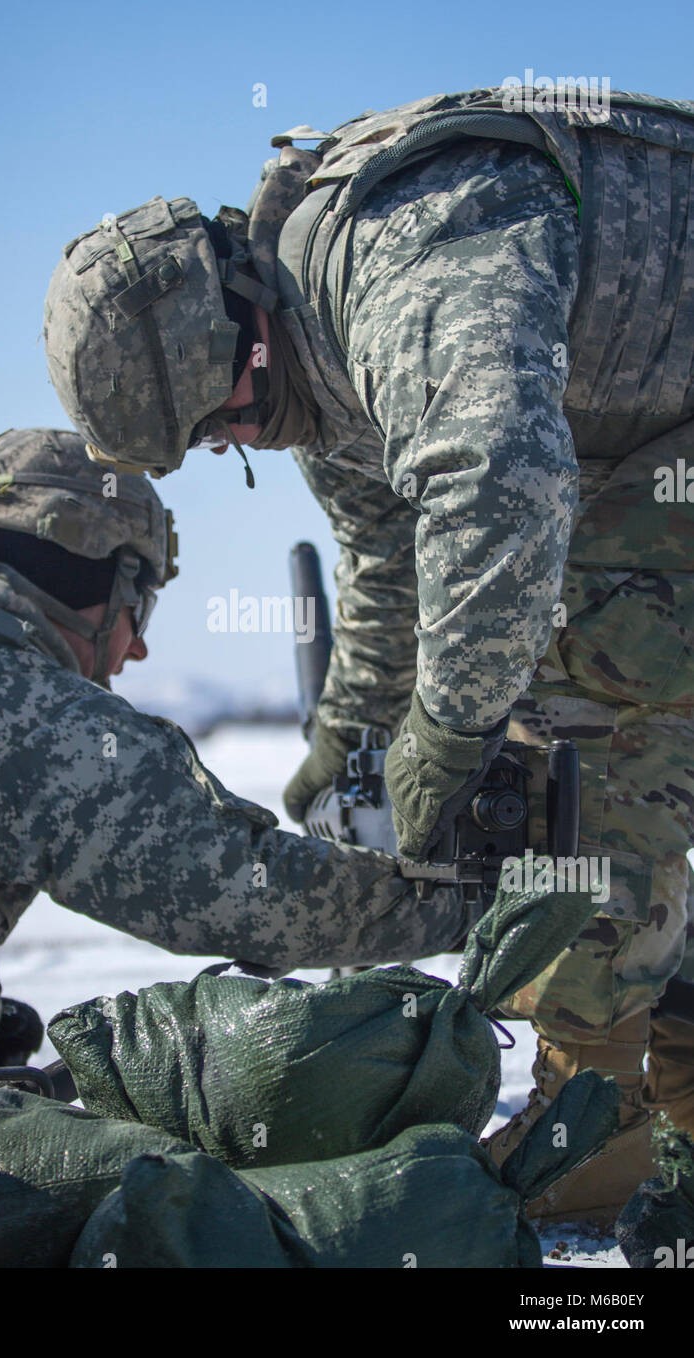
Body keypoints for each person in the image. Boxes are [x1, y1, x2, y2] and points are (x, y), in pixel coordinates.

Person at [42, 85, 694, 1224]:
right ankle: (657, 1050)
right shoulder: (309, 375)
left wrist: (444, 736)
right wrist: (344, 735)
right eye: (205, 443)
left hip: (648, 455)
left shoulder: (397, 258)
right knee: (558, 711)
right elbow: (387, 566)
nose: (234, 440)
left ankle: (598, 1115)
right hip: (648, 446)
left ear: (238, 327)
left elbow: (498, 491)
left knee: (586, 700)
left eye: (219, 418)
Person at [0, 426, 478, 1100]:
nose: (136, 649)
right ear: (95, 575)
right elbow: (243, 890)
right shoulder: (4, 698)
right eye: (142, 608)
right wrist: (468, 898)